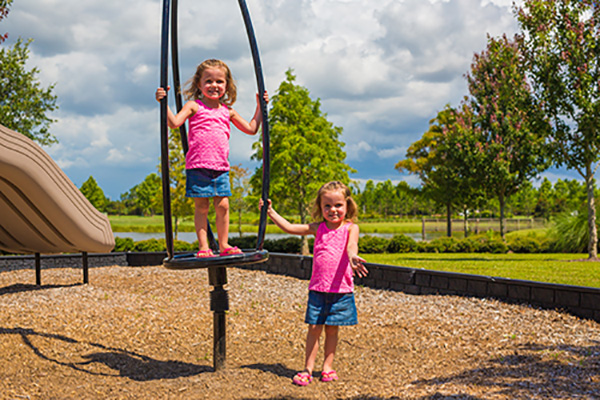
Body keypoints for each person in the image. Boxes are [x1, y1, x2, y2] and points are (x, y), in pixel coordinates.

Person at [156, 59, 268, 257]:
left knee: (223, 205)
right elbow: (174, 123)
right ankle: (203, 246)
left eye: (219, 82)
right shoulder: (194, 106)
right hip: (197, 165)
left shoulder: (227, 111)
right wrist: (163, 104)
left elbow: (252, 129)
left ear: (227, 85)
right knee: (201, 207)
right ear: (199, 84)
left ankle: (224, 244)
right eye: (208, 81)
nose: (214, 86)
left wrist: (260, 107)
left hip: (220, 167)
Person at [260, 181, 368, 386]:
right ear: (320, 207)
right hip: (318, 288)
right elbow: (291, 228)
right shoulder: (317, 228)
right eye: (327, 205)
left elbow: (352, 246)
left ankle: (327, 367)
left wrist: (353, 257)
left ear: (347, 206)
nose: (332, 210)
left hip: (341, 290)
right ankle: (307, 368)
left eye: (338, 205)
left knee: (333, 330)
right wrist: (271, 212)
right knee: (314, 328)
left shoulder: (351, 228)